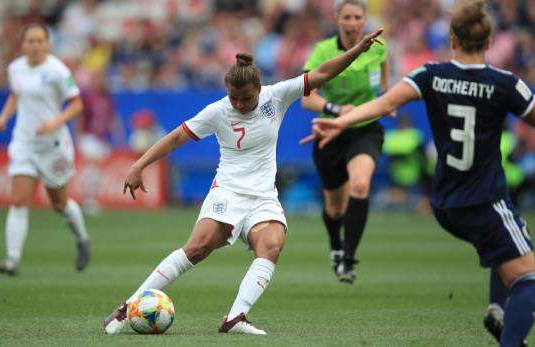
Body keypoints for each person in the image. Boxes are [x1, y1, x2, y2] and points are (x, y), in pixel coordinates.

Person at [302, 1, 535, 346]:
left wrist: (338, 120)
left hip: (444, 202)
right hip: (484, 199)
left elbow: (385, 104)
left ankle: (496, 309)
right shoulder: (506, 83)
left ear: (453, 40)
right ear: (489, 42)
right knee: (527, 281)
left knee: (513, 234)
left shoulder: (431, 74)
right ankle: (506, 328)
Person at [103, 31, 384, 335]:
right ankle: (127, 308)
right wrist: (139, 165)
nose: (238, 104)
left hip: (263, 197)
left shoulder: (276, 96)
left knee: (272, 245)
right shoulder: (217, 111)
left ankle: (235, 318)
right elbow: (176, 137)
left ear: (258, 89)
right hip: (228, 191)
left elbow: (323, 72)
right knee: (196, 248)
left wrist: (357, 50)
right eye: (233, 97)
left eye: (246, 98)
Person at [0, 23, 91, 275]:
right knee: (18, 200)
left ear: (48, 44)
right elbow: (16, 95)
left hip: (53, 146)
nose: (35, 46)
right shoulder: (16, 68)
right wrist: (4, 117)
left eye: (40, 41)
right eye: (30, 41)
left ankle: (81, 238)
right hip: (24, 142)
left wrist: (54, 122)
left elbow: (76, 104)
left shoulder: (57, 71)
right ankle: (12, 259)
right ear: (23, 44)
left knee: (59, 203)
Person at [302, 0, 389, 283]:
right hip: (330, 132)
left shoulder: (380, 48)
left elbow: (385, 88)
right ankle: (336, 247)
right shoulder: (322, 51)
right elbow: (307, 98)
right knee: (335, 208)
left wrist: (388, 101)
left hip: (365, 129)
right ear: (337, 19)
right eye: (347, 17)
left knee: (360, 185)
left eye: (357, 17)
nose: (352, 22)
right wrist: (336, 111)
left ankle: (348, 258)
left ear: (365, 20)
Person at [77, 70, 123, 215]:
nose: (100, 82)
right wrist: (78, 136)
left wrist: (118, 135)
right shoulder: (88, 98)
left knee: (96, 170)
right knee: (92, 166)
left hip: (102, 138)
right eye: (97, 79)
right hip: (89, 136)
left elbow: (112, 118)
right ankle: (88, 200)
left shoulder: (107, 98)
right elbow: (79, 117)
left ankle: (90, 199)